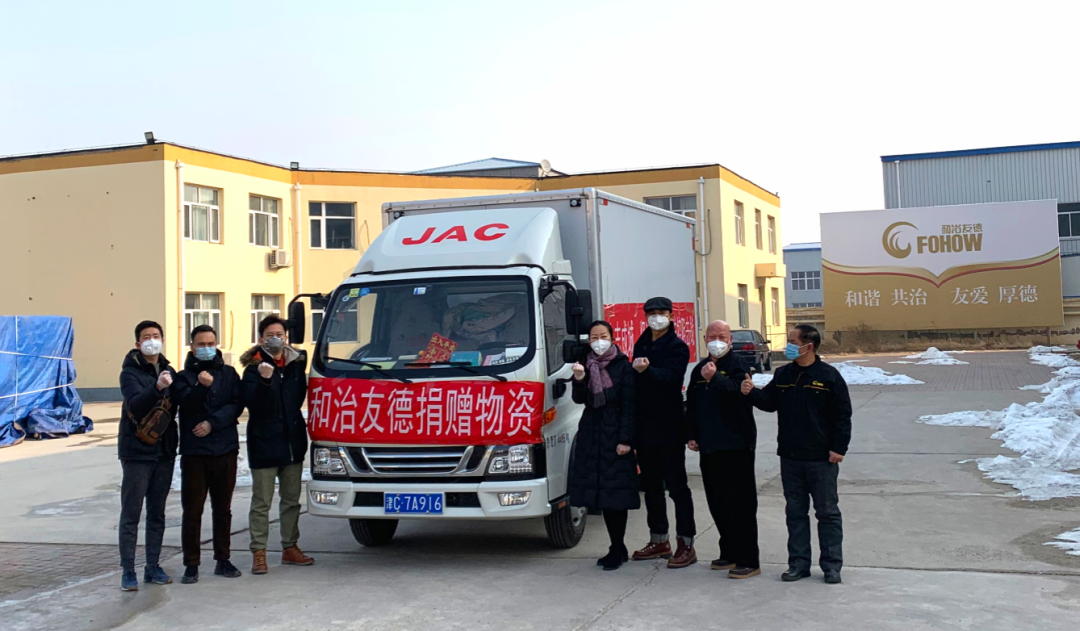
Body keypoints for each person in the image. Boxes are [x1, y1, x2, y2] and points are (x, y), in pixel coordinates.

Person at [741, 324, 852, 584]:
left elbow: (842, 416)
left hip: (821, 458)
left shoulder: (828, 376)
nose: (788, 345)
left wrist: (839, 448)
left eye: (793, 341)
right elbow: (770, 403)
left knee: (827, 513)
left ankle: (831, 566)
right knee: (795, 513)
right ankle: (798, 564)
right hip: (791, 457)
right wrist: (751, 393)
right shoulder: (784, 374)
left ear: (808, 346)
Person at [241, 315, 314, 575]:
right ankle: (259, 552)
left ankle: (290, 547)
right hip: (264, 443)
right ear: (261, 339)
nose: (275, 339)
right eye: (270, 335)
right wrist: (264, 380)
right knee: (262, 502)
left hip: (292, 441)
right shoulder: (253, 368)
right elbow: (253, 404)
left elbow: (299, 398)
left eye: (279, 334)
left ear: (286, 337)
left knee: (291, 500)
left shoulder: (295, 365)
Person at [687, 320, 760, 579]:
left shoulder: (738, 365)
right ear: (704, 339)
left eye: (722, 336)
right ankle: (729, 551)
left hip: (737, 444)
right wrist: (691, 435)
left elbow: (740, 395)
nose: (717, 341)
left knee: (741, 503)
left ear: (730, 340)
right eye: (712, 336)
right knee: (718, 501)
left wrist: (715, 377)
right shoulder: (699, 369)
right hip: (710, 445)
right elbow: (692, 404)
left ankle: (749, 559)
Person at [173, 325, 244, 584]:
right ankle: (191, 564)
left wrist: (213, 423)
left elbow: (237, 404)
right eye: (201, 344)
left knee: (223, 509)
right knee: (192, 510)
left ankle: (223, 559)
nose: (206, 348)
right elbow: (185, 404)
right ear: (192, 347)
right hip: (195, 452)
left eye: (211, 343)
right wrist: (201, 388)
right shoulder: (183, 377)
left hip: (225, 449)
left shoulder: (229, 373)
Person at [568, 321, 640, 571]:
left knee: (615, 494)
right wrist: (579, 380)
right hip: (592, 433)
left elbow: (630, 405)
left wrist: (626, 440)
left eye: (603, 336)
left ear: (612, 338)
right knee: (599, 492)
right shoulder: (585, 364)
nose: (599, 341)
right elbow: (579, 399)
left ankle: (618, 547)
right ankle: (616, 547)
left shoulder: (623, 366)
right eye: (594, 337)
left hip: (615, 433)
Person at [630, 296, 695, 568]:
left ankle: (686, 544)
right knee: (651, 488)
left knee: (677, 488)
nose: (656, 317)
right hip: (644, 428)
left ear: (671, 316)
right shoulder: (641, 343)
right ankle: (659, 540)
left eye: (661, 312)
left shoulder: (677, 346)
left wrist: (647, 371)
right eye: (651, 313)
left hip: (669, 427)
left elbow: (671, 379)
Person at [117, 320, 180, 592]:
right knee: (132, 513)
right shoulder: (129, 373)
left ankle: (152, 566)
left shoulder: (169, 370)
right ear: (138, 343)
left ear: (162, 340)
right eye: (146, 337)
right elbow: (136, 404)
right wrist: (156, 388)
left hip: (163, 451)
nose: (152, 340)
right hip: (137, 451)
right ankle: (128, 570)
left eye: (156, 336)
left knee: (157, 513)